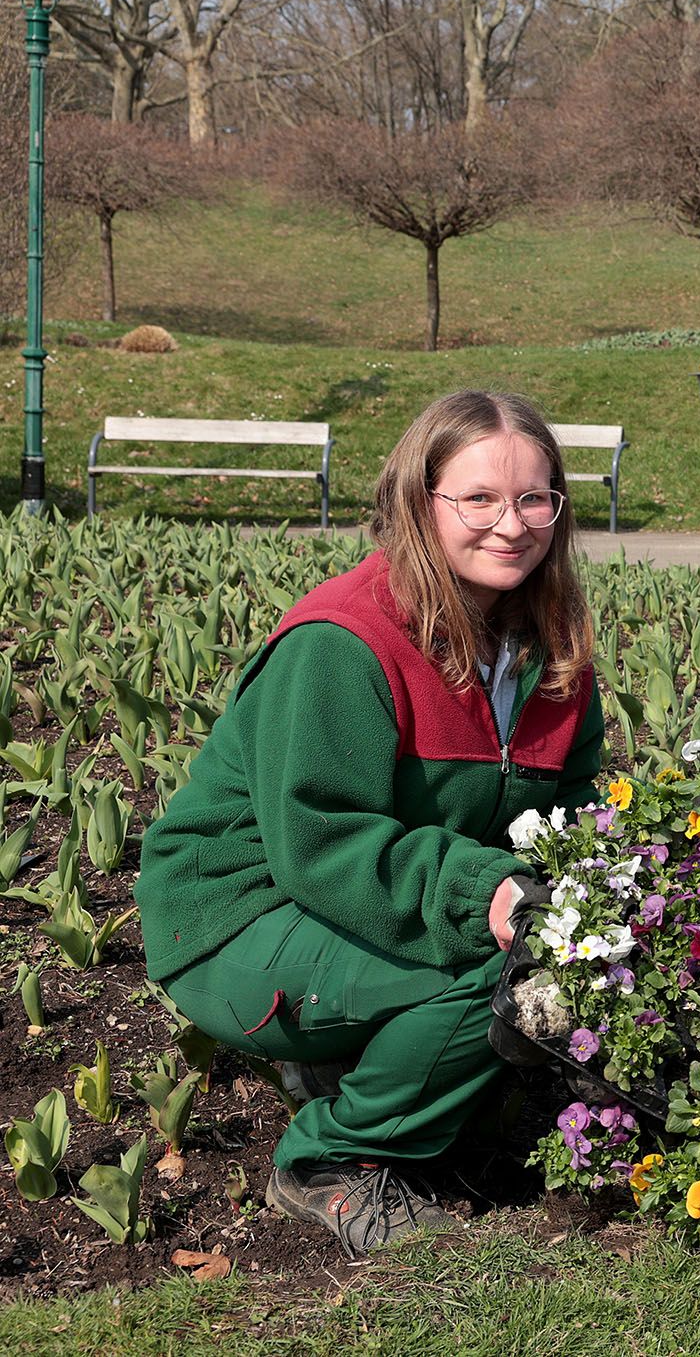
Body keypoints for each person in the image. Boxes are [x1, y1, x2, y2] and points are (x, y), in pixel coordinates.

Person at [137, 390, 605, 1255]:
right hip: (242, 913)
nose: (512, 524)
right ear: (417, 504)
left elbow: (571, 811)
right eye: (479, 499)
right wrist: (484, 890)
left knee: (564, 954)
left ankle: (350, 1064)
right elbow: (320, 841)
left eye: (535, 498)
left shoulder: (552, 651)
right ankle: (330, 1159)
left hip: (362, 906)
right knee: (503, 971)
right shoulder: (345, 640)